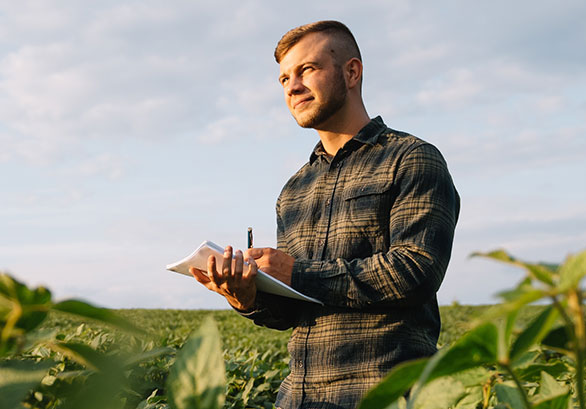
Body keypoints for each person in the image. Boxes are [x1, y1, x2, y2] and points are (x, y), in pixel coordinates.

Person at [189, 20, 461, 409]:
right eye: (284, 79)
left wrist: (295, 272)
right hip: (298, 397)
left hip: (383, 394)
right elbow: (295, 308)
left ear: (351, 72)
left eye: (307, 70)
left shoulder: (412, 158)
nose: (292, 86)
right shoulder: (293, 189)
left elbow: (415, 270)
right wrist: (248, 296)